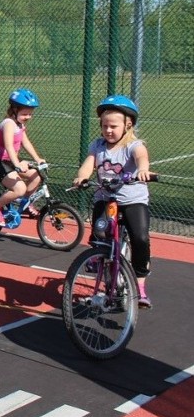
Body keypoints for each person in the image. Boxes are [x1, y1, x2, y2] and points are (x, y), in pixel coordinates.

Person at [73, 95, 154, 308]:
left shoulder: (133, 145)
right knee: (100, 233)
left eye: (114, 126)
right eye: (104, 126)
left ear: (128, 125)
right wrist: (82, 176)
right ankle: (100, 258)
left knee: (140, 238)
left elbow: (141, 157)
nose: (108, 130)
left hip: (132, 200)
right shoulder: (98, 145)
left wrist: (143, 169)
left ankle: (140, 286)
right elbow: (89, 164)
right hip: (105, 198)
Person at [0, 88, 46, 226]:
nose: (28, 117)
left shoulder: (19, 124)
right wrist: (17, 164)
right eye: (25, 114)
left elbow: (25, 141)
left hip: (8, 161)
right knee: (20, 188)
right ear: (15, 110)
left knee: (36, 176)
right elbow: (9, 146)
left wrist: (37, 158)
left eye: (30, 114)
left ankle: (24, 204)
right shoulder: (8, 124)